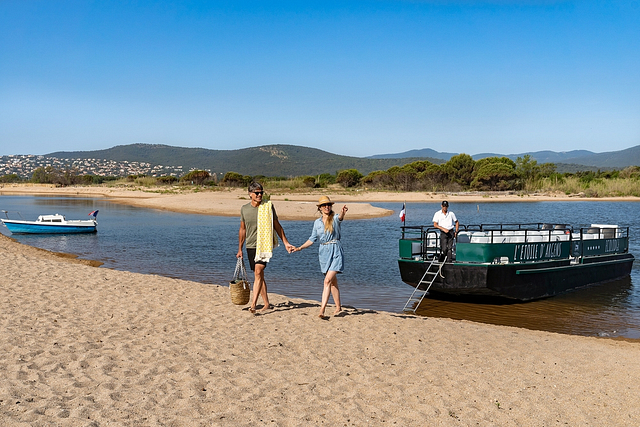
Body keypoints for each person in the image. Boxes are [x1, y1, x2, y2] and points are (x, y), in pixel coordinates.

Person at [237, 182, 295, 313]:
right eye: (257, 193)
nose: (259, 195)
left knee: (258, 271)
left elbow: (277, 226)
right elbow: (242, 229)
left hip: (264, 244)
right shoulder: (244, 209)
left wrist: (286, 242)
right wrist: (240, 249)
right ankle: (267, 303)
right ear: (250, 194)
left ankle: (253, 305)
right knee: (259, 275)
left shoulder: (268, 206)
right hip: (250, 245)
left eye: (261, 192)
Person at [294, 196, 348, 319]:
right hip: (323, 253)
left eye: (328, 205)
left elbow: (340, 218)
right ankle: (338, 307)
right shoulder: (317, 223)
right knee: (332, 282)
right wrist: (299, 248)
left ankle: (322, 309)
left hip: (336, 250)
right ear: (319, 208)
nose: (326, 207)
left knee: (327, 281)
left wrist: (343, 213)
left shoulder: (334, 218)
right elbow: (312, 239)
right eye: (324, 205)